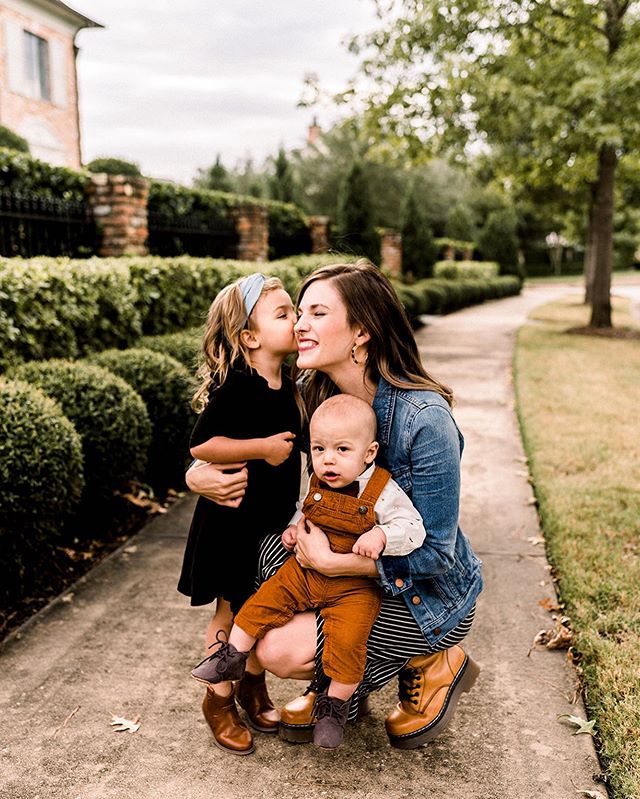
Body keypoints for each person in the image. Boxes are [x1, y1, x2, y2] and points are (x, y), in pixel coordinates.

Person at [186, 259, 483, 750]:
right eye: (297, 313)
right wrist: (196, 474)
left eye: (317, 313)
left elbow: (437, 555)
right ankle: (345, 677)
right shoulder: (312, 395)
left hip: (424, 591)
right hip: (345, 563)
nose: (300, 324)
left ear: (361, 332)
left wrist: (336, 562)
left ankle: (432, 661)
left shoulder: (424, 421)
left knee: (278, 649)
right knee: (259, 554)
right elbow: (227, 432)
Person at [190, 393, 426, 750]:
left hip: (354, 586)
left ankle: (334, 707)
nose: (328, 460)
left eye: (342, 450)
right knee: (262, 601)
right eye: (318, 450)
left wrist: (381, 535)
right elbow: (306, 511)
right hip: (305, 573)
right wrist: (293, 528)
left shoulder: (382, 490)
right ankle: (231, 659)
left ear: (370, 453)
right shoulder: (320, 480)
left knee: (348, 642)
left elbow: (413, 528)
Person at [177, 272, 302, 756]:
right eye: (283, 313)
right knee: (230, 610)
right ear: (249, 338)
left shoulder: (289, 382)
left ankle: (253, 687)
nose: (294, 320)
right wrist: (263, 450)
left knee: (262, 609)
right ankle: (220, 697)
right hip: (230, 523)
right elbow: (203, 443)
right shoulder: (238, 385)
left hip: (270, 524)